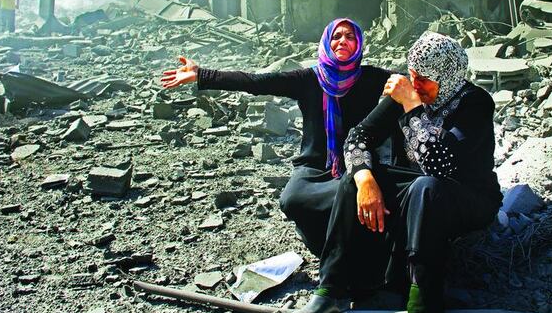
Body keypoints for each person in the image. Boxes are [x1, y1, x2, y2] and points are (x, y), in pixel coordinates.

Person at [286, 32, 503, 313]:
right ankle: (331, 290)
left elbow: (440, 165)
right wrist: (364, 179)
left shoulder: (475, 103)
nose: (417, 86)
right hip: (421, 188)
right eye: (413, 78)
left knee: (427, 188)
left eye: (425, 81)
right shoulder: (409, 92)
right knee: (355, 178)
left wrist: (412, 106)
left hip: (467, 195)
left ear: (448, 76)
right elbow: (358, 138)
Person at [160, 18, 392, 258]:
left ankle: (350, 257)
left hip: (358, 165)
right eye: (336, 36)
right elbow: (256, 82)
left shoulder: (372, 78)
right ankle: (330, 253)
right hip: (314, 164)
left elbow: (411, 83)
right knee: (292, 200)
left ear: (359, 44)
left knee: (364, 200)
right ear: (326, 42)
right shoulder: (309, 79)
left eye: (350, 37)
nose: (342, 40)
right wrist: (202, 75)